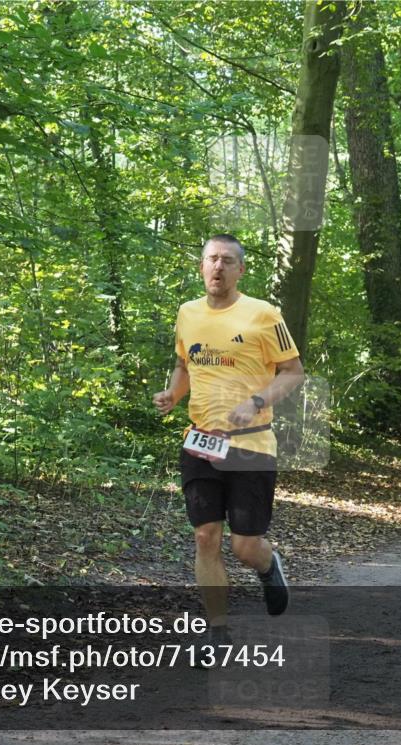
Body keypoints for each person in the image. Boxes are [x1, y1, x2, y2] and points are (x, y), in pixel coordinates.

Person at [153, 234, 305, 663]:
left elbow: (293, 373)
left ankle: (267, 563)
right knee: (205, 536)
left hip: (250, 445)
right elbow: (185, 364)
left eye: (226, 261)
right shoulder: (187, 313)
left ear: (240, 269)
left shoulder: (263, 314)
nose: (217, 267)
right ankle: (217, 634)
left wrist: (257, 401)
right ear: (201, 267)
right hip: (200, 442)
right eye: (210, 259)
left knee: (244, 546)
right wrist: (172, 396)